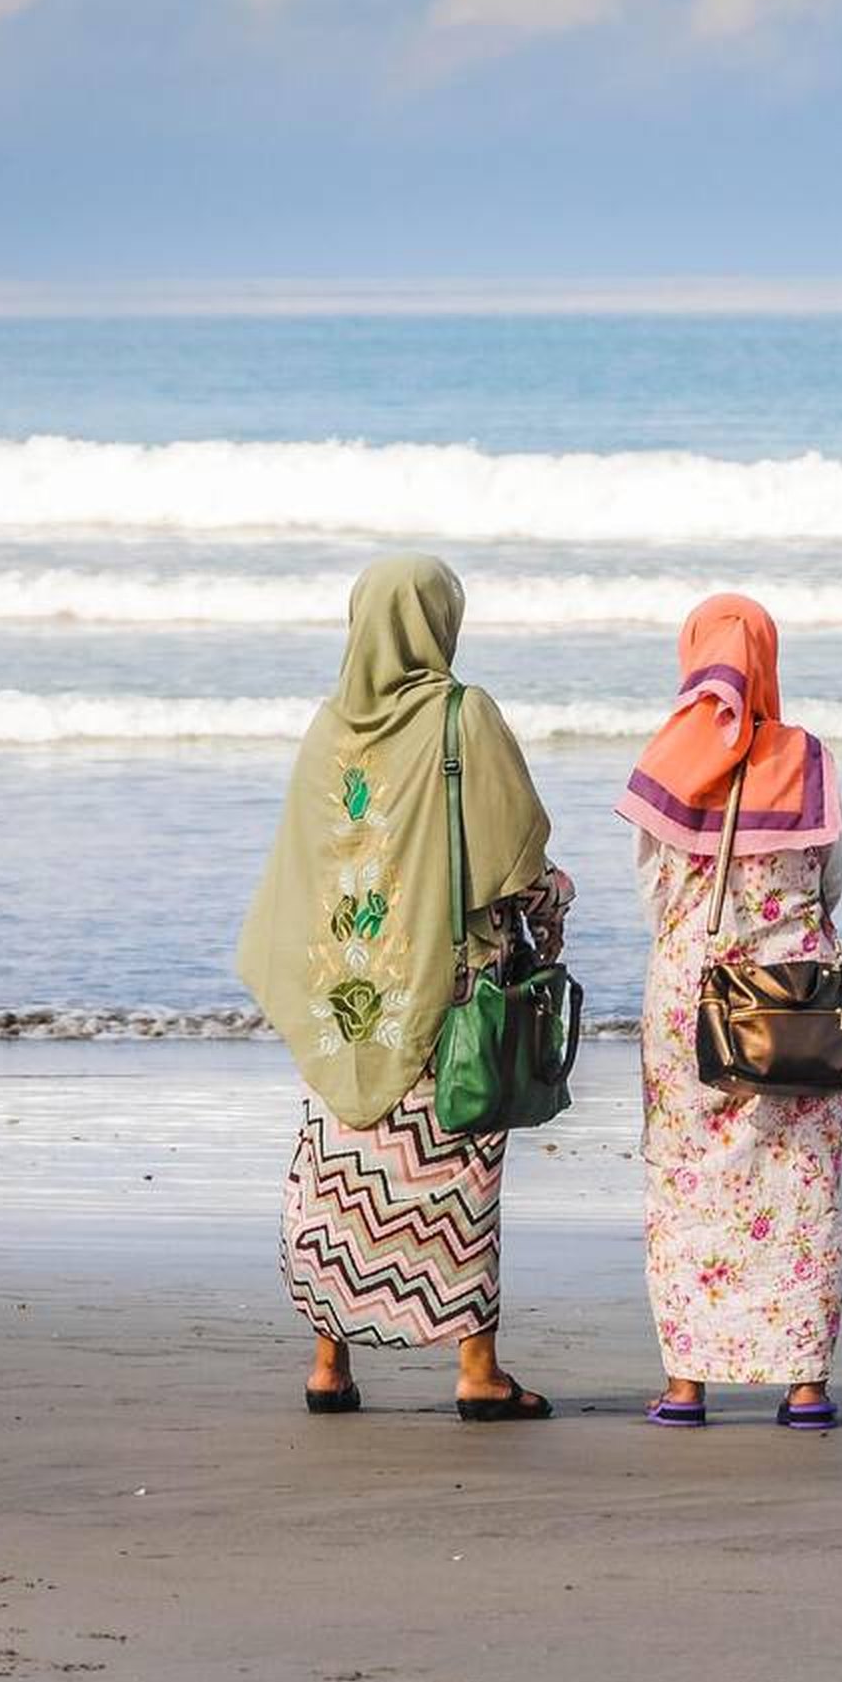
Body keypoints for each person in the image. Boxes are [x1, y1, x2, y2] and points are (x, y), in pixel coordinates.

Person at [239, 553, 571, 1421]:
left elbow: (311, 867)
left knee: (339, 1174)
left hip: (345, 1002)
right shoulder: (464, 716)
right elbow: (511, 861)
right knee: (455, 1179)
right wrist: (553, 896)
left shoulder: (326, 731)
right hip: (443, 994)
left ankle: (327, 1363)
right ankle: (476, 1371)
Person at [617, 594, 842, 1431]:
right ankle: (803, 1386)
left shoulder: (664, 759)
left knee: (686, 1183)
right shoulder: (810, 758)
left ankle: (687, 1386)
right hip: (794, 998)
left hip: (689, 995)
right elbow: (829, 886)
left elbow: (653, 895)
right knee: (800, 1184)